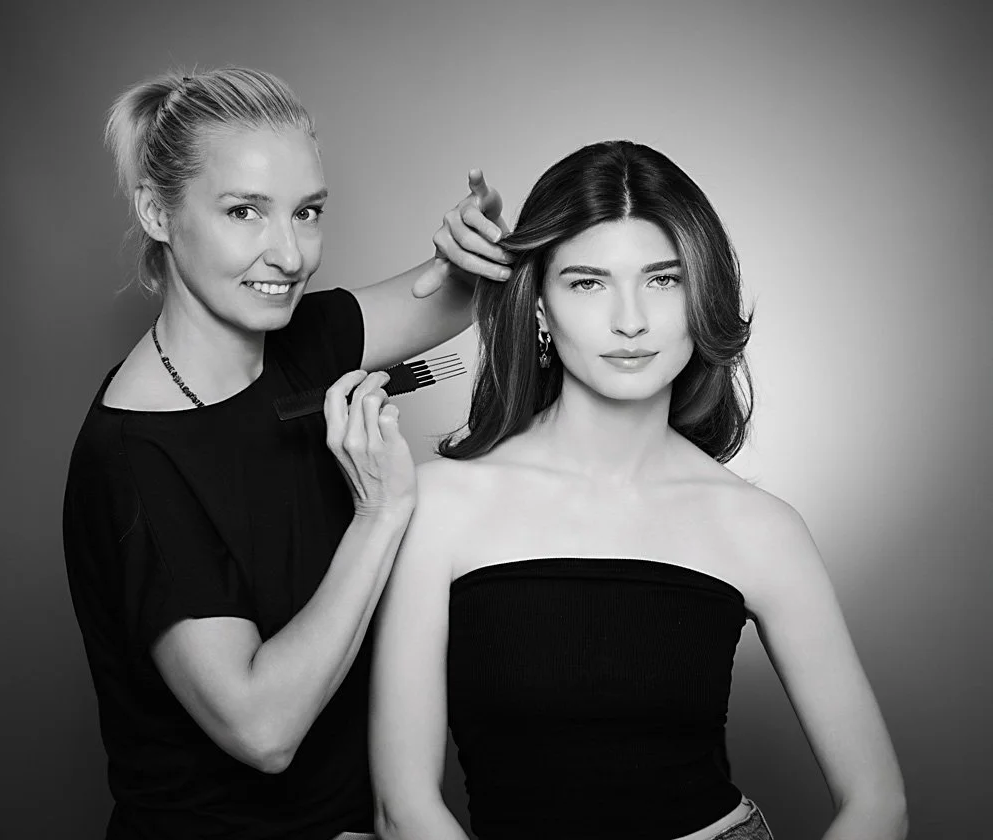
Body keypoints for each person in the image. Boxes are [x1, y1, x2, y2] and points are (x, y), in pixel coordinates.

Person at [369, 140, 909, 840]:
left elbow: (878, 804)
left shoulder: (760, 527)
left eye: (663, 280)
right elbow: (403, 807)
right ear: (538, 306)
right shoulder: (441, 505)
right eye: (588, 283)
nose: (631, 320)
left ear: (701, 294)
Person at [62, 66, 509, 840]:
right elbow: (262, 730)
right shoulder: (133, 459)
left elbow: (461, 296)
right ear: (157, 212)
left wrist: (477, 247)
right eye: (244, 211)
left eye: (307, 213)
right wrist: (380, 514)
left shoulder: (304, 338)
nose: (290, 254)